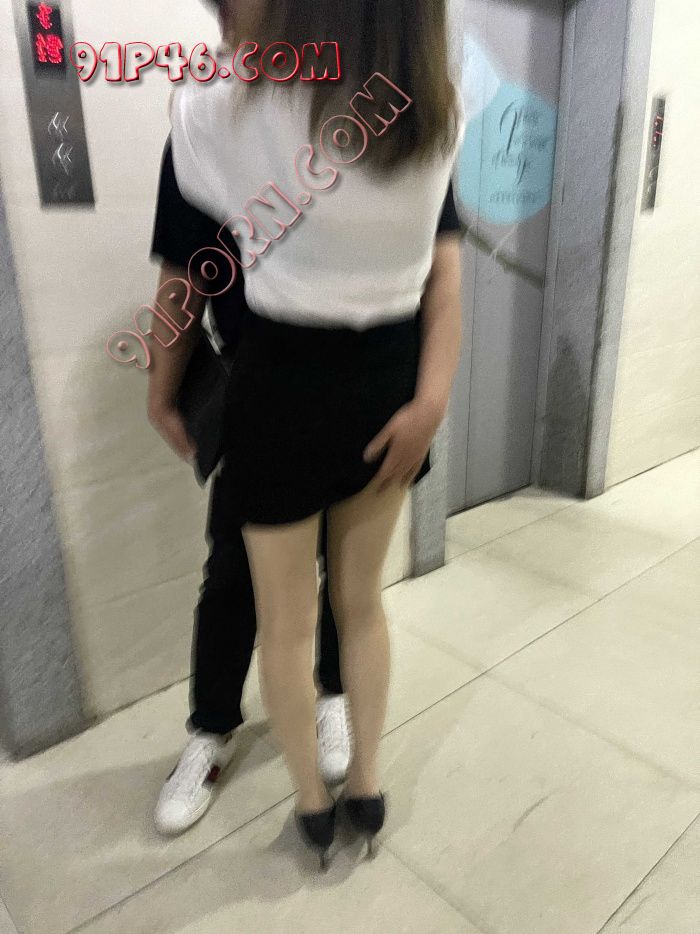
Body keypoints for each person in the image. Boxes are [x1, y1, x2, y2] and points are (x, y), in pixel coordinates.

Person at [148, 0, 463, 865]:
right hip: (388, 382)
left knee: (280, 621)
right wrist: (431, 398)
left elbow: (184, 265)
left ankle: (313, 805)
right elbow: (444, 272)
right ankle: (365, 783)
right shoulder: (439, 108)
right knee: (360, 605)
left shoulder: (217, 110)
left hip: (279, 382)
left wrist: (162, 388)